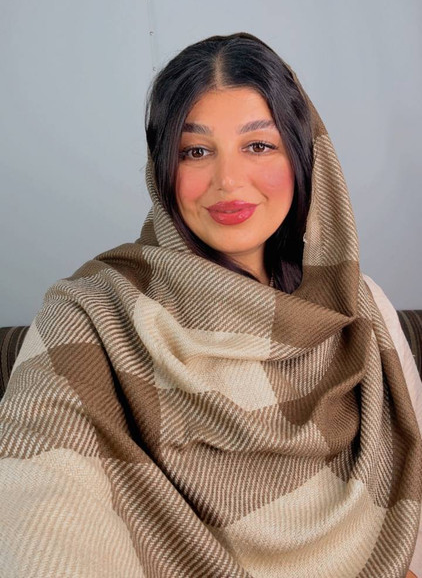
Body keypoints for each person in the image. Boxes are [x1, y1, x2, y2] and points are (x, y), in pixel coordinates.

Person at [0, 32, 421, 577]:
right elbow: (40, 496)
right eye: (195, 152)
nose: (227, 181)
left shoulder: (362, 308)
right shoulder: (90, 314)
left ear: (302, 157)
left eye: (258, 146)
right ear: (162, 169)